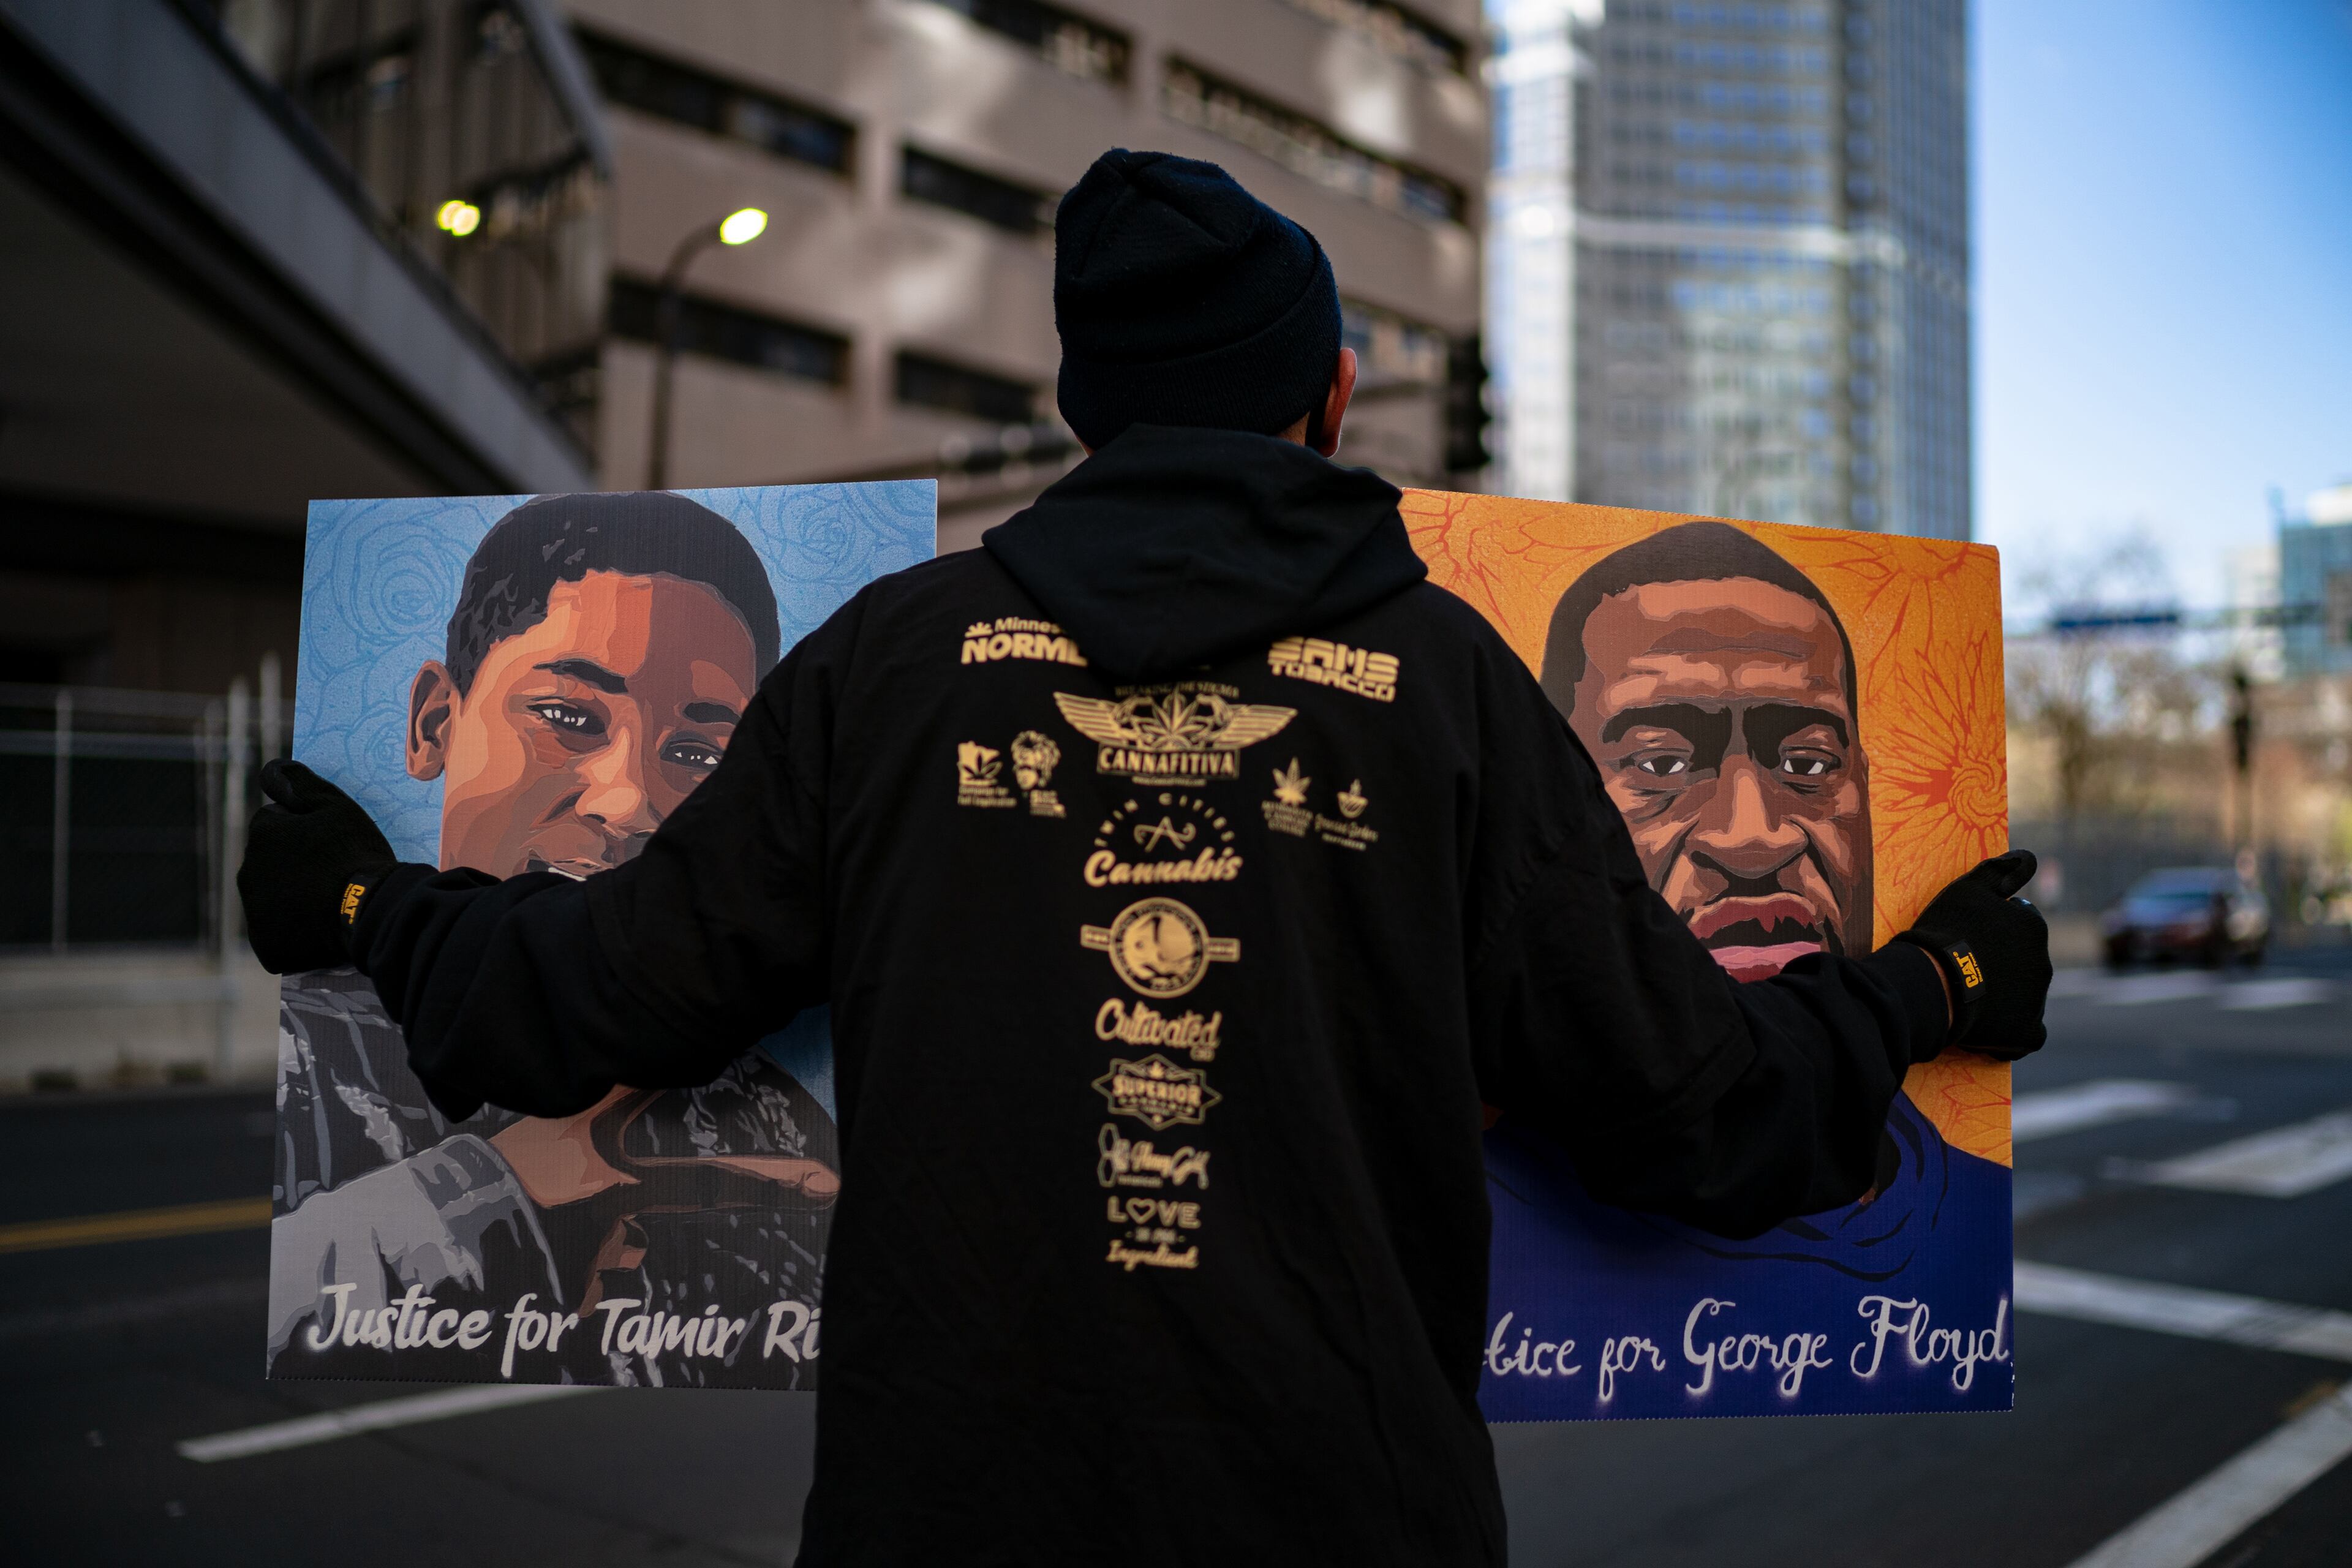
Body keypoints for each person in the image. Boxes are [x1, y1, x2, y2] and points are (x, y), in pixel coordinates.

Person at [241, 149, 2048, 1564]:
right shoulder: (1446, 693)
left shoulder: (894, 661)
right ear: (1328, 396)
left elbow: (577, 1004)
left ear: (1087, 418)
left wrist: (354, 899)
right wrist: (1938, 983)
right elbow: (1703, 1111)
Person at [267, 492, 839, 1387]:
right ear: (434, 723)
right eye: (569, 717)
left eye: (699, 756)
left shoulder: (780, 1116)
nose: (629, 804)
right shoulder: (314, 1071)